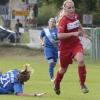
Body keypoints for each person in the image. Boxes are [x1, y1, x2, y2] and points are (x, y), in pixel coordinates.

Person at [53, 0, 89, 95]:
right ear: (64, 8)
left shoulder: (75, 15)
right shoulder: (63, 20)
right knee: (63, 69)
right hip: (65, 48)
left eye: (73, 7)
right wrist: (73, 33)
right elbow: (59, 36)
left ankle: (82, 84)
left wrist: (84, 33)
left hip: (75, 44)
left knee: (81, 60)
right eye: (69, 8)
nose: (72, 9)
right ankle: (57, 83)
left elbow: (78, 23)